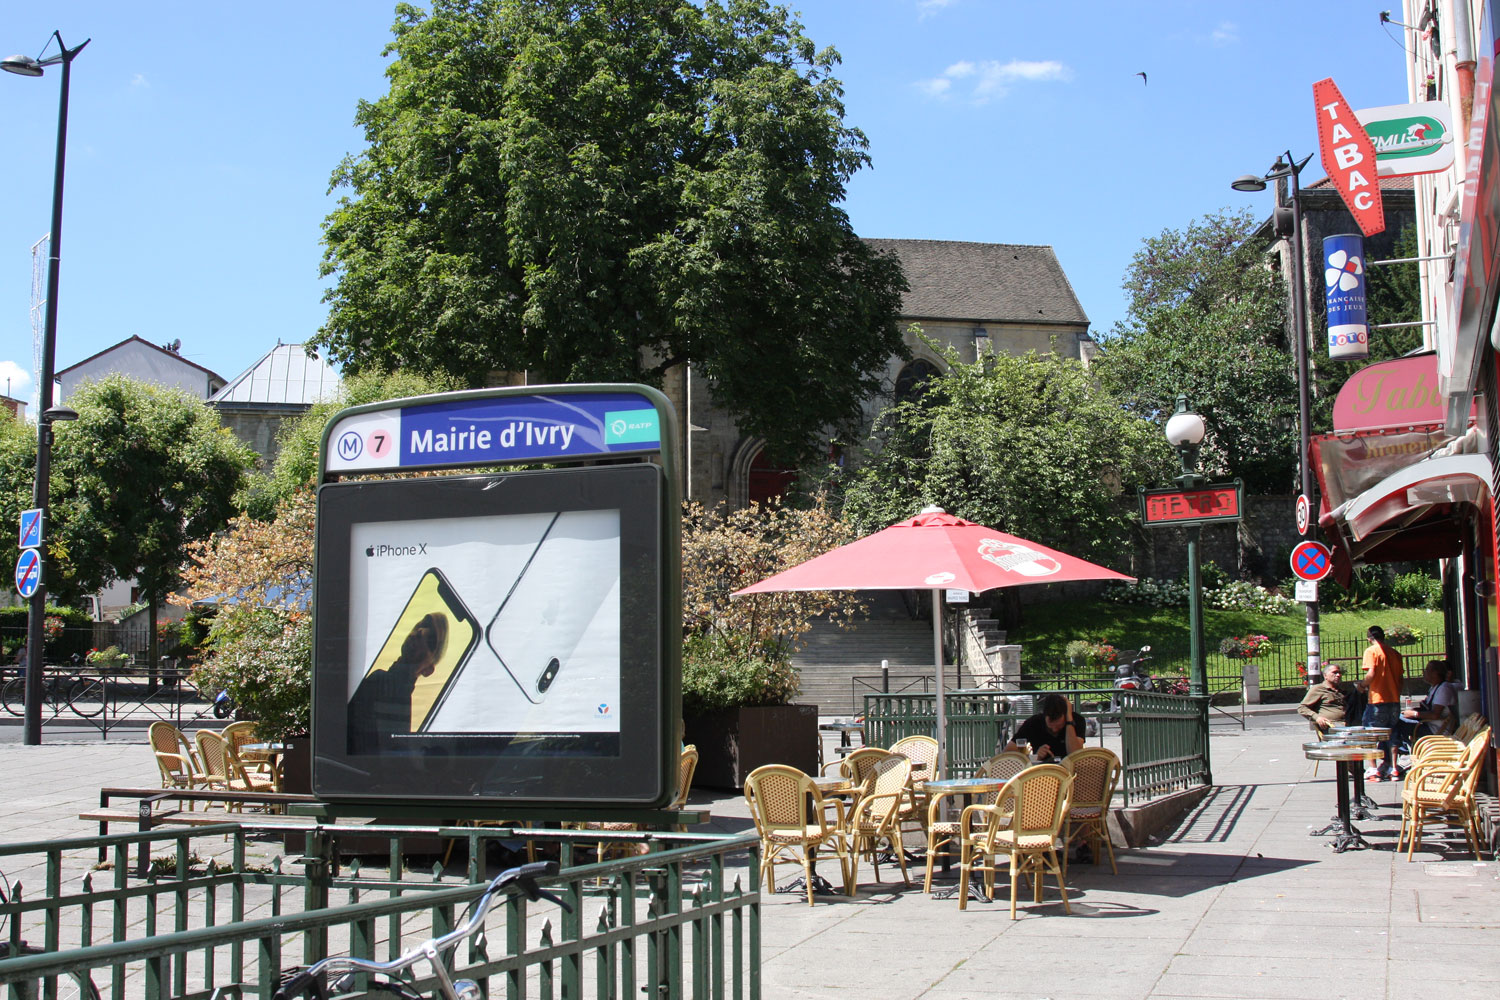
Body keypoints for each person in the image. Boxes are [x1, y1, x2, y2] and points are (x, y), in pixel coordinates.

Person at [346, 612, 449, 755]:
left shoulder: (388, 688)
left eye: (431, 640)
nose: (421, 632)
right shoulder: (383, 683)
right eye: (423, 625)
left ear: (428, 670)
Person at [1356, 625, 1404, 781]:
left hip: (1377, 699)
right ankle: (1394, 768)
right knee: (1393, 733)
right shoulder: (1395, 653)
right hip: (1394, 699)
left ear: (1370, 638)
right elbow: (1401, 679)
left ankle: (1373, 769)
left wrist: (1362, 685)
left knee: (1371, 734)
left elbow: (1371, 673)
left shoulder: (1371, 651)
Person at [1005, 693, 1086, 762]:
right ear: (1044, 715)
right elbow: (1007, 753)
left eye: (1059, 727)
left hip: (1070, 771)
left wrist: (1069, 722)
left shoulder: (1076, 720)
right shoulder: (1034, 722)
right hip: (1042, 773)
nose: (1054, 730)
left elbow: (1075, 755)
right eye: (1050, 728)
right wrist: (1035, 757)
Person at [1402, 659, 1458, 739]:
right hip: (1427, 724)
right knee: (1398, 718)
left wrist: (1414, 714)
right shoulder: (1434, 687)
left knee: (1399, 723)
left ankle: (1396, 749)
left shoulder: (1444, 689)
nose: (1424, 673)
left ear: (1435, 673)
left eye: (1427, 670)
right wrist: (1411, 710)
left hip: (1435, 730)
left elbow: (1435, 715)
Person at [1297, 664, 1350, 733]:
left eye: (1339, 673)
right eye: (1334, 672)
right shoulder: (1318, 689)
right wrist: (1317, 717)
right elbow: (1302, 708)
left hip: (1345, 725)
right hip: (1330, 727)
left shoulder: (1341, 690)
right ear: (1325, 676)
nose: (1338, 675)